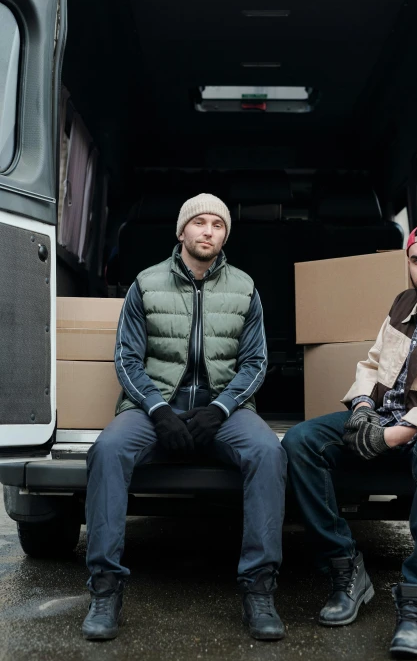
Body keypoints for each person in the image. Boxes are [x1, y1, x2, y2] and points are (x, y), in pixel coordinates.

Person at [283, 221, 417, 659]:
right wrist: (363, 408)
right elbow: (372, 363)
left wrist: (390, 436)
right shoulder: (404, 302)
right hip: (384, 419)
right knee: (300, 441)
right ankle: (345, 566)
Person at [82, 193, 287, 642]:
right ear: (182, 232)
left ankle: (259, 588)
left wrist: (220, 409)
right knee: (107, 450)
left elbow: (255, 363)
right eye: (199, 223)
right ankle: (105, 587)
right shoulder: (145, 284)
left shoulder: (246, 287)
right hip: (152, 408)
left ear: (225, 234)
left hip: (224, 411)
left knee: (269, 452)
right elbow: (127, 360)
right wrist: (158, 411)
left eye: (218, 224)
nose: (208, 231)